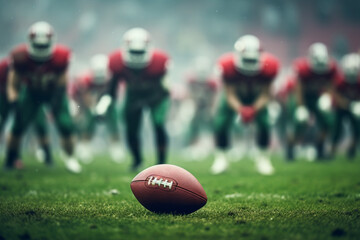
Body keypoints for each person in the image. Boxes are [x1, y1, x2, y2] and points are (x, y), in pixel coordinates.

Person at [4, 21, 81, 173]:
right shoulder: (20, 57)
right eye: (38, 45)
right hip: (31, 93)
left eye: (43, 45)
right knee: (18, 126)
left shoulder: (60, 57)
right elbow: (13, 82)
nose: (40, 49)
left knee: (65, 125)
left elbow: (62, 82)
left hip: (54, 92)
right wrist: (14, 100)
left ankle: (71, 158)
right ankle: (10, 159)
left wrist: (57, 104)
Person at [96, 28, 170, 171]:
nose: (137, 55)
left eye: (140, 52)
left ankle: (161, 163)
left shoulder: (160, 62)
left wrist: (151, 101)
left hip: (156, 96)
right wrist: (102, 106)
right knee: (131, 128)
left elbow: (166, 89)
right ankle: (137, 160)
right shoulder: (117, 62)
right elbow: (111, 89)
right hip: (133, 95)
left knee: (159, 124)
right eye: (134, 51)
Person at [211, 35, 279, 175]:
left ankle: (263, 159)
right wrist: (241, 109)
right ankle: (221, 158)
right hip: (235, 96)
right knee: (221, 121)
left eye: (252, 59)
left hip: (257, 96)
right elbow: (229, 94)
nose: (249, 63)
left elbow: (266, 94)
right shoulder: (228, 66)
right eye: (246, 59)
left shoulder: (269, 67)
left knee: (265, 122)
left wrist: (254, 109)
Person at [288, 43, 339, 160]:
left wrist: (327, 97)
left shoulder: (331, 68)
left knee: (328, 122)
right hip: (302, 98)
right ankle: (290, 148)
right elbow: (298, 89)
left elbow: (331, 86)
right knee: (300, 122)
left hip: (317, 97)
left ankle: (320, 148)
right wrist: (301, 106)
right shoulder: (303, 68)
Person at [0, 57, 53, 167]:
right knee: (11, 126)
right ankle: (12, 157)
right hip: (3, 97)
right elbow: (11, 87)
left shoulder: (28, 66)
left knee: (39, 125)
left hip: (24, 98)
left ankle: (47, 157)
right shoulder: (3, 68)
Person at [72, 54, 125, 163]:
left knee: (114, 122)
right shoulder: (86, 79)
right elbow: (85, 96)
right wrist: (93, 108)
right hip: (90, 103)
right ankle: (85, 146)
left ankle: (116, 147)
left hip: (108, 102)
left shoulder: (112, 78)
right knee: (88, 123)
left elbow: (115, 95)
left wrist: (104, 105)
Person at [332, 53, 360, 159]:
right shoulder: (339, 81)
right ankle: (332, 151)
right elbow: (336, 95)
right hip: (341, 108)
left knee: (357, 129)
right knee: (337, 130)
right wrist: (349, 104)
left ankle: (352, 149)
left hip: (355, 107)